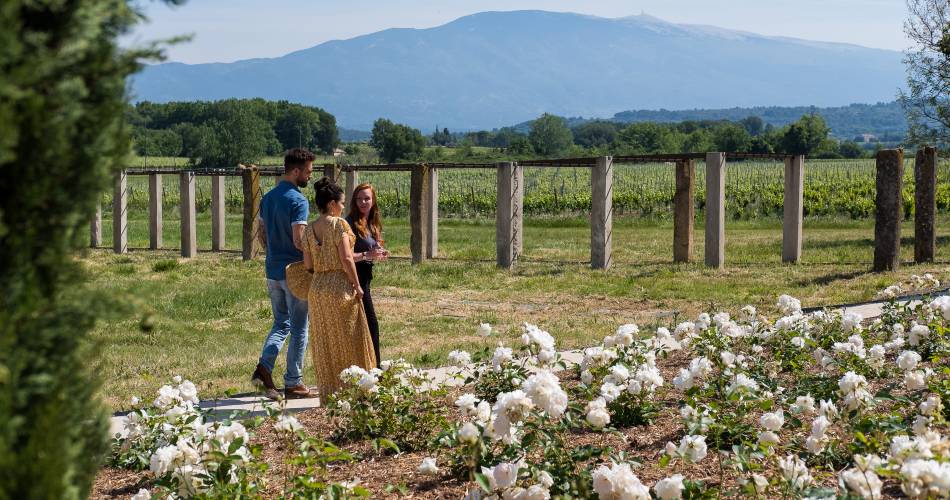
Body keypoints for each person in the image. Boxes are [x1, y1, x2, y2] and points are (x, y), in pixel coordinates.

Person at [250, 148, 316, 400]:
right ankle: (293, 381)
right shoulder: (298, 201)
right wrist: (315, 253)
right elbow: (299, 239)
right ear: (296, 171)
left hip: (272, 269)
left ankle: (264, 368)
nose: (309, 177)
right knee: (300, 328)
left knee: (281, 323)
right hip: (294, 272)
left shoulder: (268, 198)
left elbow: (262, 234)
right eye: (308, 172)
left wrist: (273, 253)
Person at [302, 177, 376, 397]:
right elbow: (346, 257)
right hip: (338, 287)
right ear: (333, 203)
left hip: (317, 289)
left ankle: (330, 390)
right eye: (342, 203)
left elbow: (308, 265)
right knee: (350, 338)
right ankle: (355, 387)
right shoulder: (339, 224)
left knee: (326, 341)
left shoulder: (309, 229)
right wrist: (356, 284)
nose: (344, 206)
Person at [345, 183, 389, 364]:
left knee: (367, 326)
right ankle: (375, 369)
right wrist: (367, 255)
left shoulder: (371, 222)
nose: (363, 202)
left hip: (365, 279)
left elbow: (370, 249)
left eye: (367, 198)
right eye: (359, 199)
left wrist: (379, 252)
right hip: (354, 280)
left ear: (373, 201)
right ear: (354, 201)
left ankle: (369, 366)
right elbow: (344, 257)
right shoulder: (350, 224)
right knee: (370, 325)